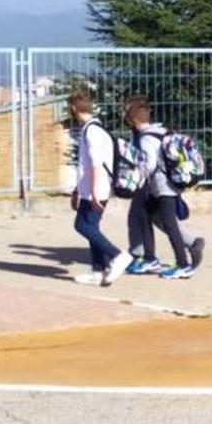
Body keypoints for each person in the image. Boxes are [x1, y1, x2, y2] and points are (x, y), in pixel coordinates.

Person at [122, 97, 195, 279]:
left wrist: (137, 177)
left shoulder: (146, 138)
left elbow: (150, 164)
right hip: (165, 184)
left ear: (135, 121)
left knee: (170, 225)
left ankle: (183, 264)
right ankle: (149, 258)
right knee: (143, 215)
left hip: (163, 187)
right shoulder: (161, 131)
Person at [67, 89, 132, 286]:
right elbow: (87, 165)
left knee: (82, 226)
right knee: (91, 227)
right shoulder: (93, 128)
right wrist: (77, 190)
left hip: (97, 188)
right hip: (91, 188)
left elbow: (95, 163)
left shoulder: (92, 131)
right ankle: (98, 271)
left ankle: (118, 256)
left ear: (74, 109)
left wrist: (93, 192)